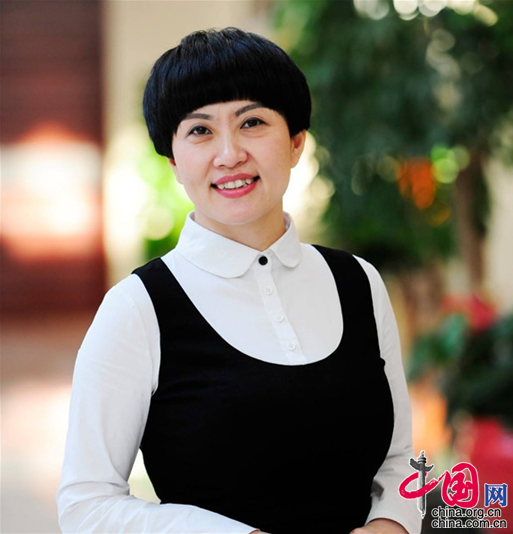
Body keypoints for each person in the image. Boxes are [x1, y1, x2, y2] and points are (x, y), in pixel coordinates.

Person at [57, 27, 421, 534]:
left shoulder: (358, 282)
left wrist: (392, 524)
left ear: (295, 142)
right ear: (173, 160)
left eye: (252, 122)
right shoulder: (138, 308)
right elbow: (86, 505)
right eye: (200, 131)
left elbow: (401, 459)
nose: (229, 154)